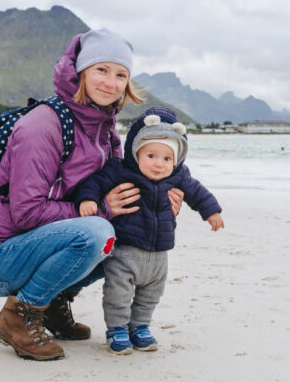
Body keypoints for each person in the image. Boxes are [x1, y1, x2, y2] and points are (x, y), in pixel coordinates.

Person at [0, 28, 184, 361]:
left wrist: (164, 199)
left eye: (121, 74)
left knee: (125, 239)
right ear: (80, 71)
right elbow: (25, 213)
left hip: (45, 242)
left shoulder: (104, 127)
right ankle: (19, 315)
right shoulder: (43, 125)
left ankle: (54, 302)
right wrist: (102, 211)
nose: (111, 83)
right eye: (101, 70)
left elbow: (124, 192)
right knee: (99, 232)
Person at [74, 106, 224, 354]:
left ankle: (140, 327)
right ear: (136, 151)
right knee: (117, 294)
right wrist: (88, 199)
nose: (159, 164)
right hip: (124, 251)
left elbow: (198, 192)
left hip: (159, 254)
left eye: (167, 158)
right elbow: (95, 181)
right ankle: (117, 329)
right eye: (151, 156)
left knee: (150, 295)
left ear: (176, 160)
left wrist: (212, 212)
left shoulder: (178, 177)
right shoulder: (121, 170)